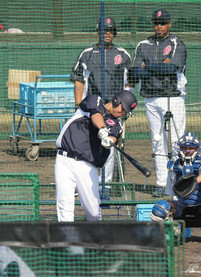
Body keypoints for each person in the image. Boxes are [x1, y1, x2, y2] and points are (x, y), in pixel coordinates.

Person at [128, 9, 187, 197]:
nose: (159, 26)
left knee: (177, 141)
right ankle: (162, 183)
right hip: (151, 98)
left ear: (169, 24)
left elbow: (171, 68)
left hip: (173, 97)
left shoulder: (176, 43)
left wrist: (148, 66)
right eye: (156, 23)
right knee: (157, 141)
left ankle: (178, 182)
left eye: (162, 23)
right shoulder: (143, 44)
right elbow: (134, 73)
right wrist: (159, 66)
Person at [55, 90, 137, 222]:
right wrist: (102, 129)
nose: (123, 113)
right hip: (64, 159)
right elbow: (95, 115)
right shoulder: (95, 100)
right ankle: (68, 241)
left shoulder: (117, 124)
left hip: (86, 166)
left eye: (126, 112)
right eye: (123, 109)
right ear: (116, 100)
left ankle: (94, 239)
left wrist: (109, 141)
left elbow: (113, 136)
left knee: (93, 212)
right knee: (65, 206)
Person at [70, 17, 134, 184]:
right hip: (92, 107)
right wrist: (78, 105)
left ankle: (105, 185)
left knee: (109, 146)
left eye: (110, 30)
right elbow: (79, 80)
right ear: (98, 32)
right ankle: (84, 183)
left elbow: (129, 82)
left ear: (114, 33)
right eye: (103, 30)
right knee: (85, 143)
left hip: (114, 109)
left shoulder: (123, 54)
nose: (107, 33)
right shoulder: (87, 54)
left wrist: (126, 109)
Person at [150, 132, 201, 246]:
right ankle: (172, 233)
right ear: (179, 148)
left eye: (191, 148)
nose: (187, 150)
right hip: (181, 203)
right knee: (160, 208)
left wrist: (195, 181)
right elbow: (171, 191)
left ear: (197, 149)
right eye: (184, 147)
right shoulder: (173, 165)